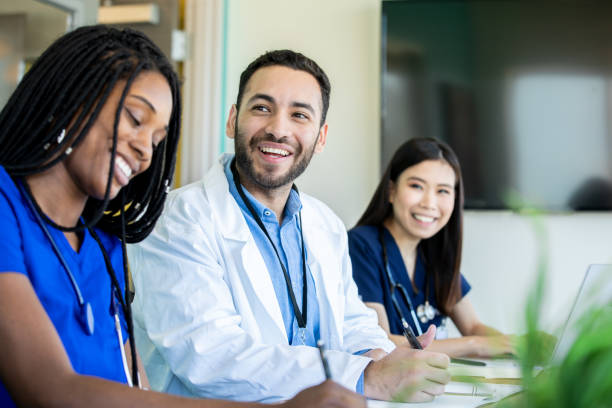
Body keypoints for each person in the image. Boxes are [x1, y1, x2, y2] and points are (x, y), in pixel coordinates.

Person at [0, 26, 365, 408]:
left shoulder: (101, 245)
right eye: (135, 119)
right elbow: (52, 390)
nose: (145, 150)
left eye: (158, 139)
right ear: (71, 96)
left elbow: (134, 390)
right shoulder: (7, 209)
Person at [128, 50, 451, 403]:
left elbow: (351, 321)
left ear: (321, 137)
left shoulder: (325, 223)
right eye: (262, 108)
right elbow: (210, 357)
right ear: (232, 120)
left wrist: (381, 358)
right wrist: (366, 376)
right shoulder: (177, 219)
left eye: (299, 115)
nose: (278, 129)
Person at [348, 138, 514, 358]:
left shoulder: (434, 253)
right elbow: (380, 340)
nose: (429, 203)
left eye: (443, 191)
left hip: (434, 383)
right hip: (388, 389)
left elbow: (473, 328)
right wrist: (475, 345)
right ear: (391, 190)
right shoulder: (360, 246)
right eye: (416, 186)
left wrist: (515, 346)